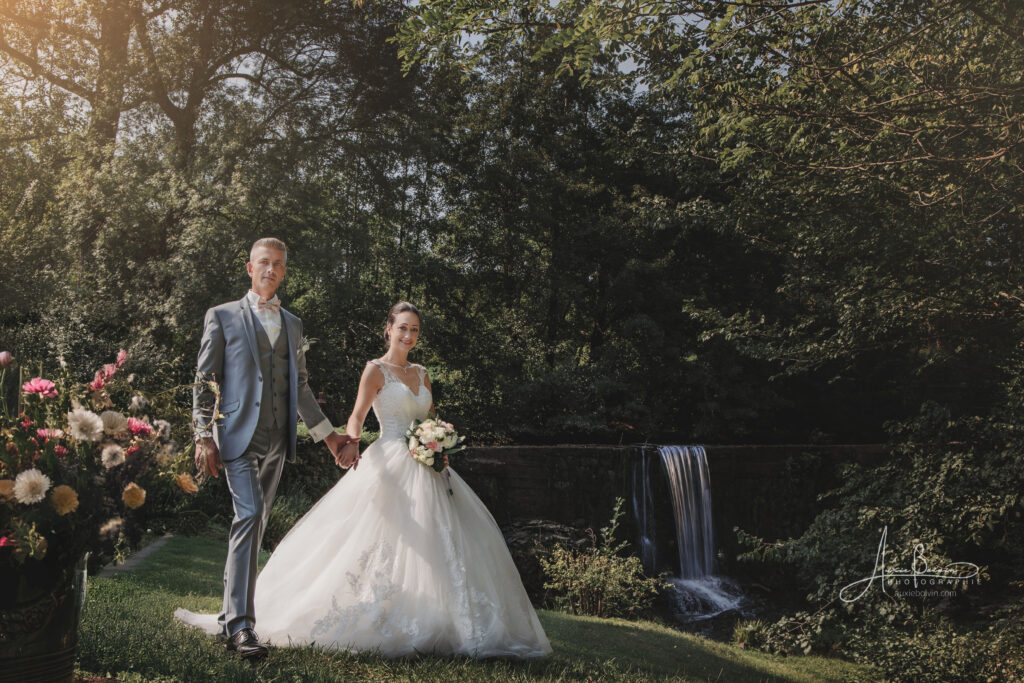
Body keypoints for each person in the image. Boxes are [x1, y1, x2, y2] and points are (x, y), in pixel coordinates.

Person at [179, 301, 551, 659]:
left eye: (414, 330)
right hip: (389, 462)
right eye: (402, 328)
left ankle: (446, 620)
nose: (408, 335)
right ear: (388, 329)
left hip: (430, 467)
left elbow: (431, 418)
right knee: (381, 541)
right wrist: (350, 444)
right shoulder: (375, 370)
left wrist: (438, 441)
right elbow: (357, 416)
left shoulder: (422, 374)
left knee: (443, 544)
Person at [180, 237, 356, 660]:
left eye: (278, 264)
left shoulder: (292, 323)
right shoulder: (221, 317)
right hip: (236, 435)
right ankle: (242, 628)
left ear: (283, 271)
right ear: (249, 268)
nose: (270, 270)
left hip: (279, 440)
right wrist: (203, 435)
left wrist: (329, 436)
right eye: (263, 263)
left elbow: (301, 387)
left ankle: (229, 616)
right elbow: (205, 381)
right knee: (251, 515)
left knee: (253, 527)